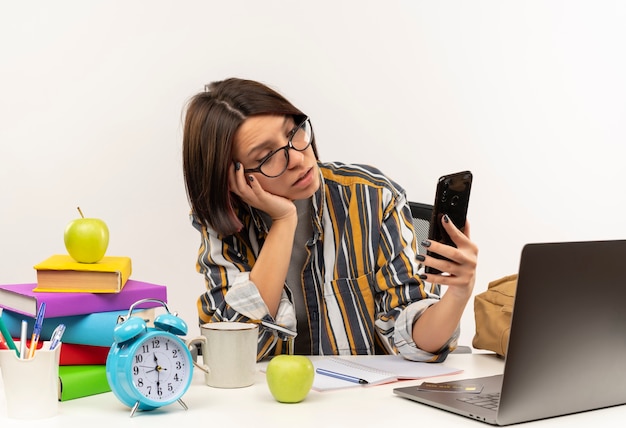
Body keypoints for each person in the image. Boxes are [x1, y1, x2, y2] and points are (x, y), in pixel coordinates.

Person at [182, 78, 478, 362]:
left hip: (363, 403)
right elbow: (231, 351)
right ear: (232, 177)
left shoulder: (372, 197)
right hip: (267, 408)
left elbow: (413, 343)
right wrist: (284, 222)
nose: (297, 157)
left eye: (292, 132)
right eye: (268, 155)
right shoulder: (225, 225)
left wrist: (458, 293)